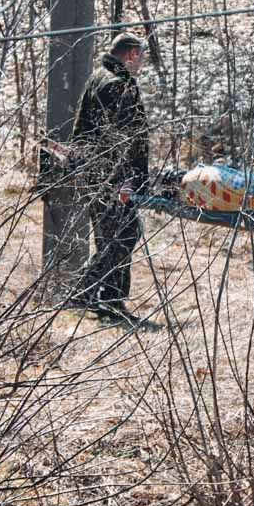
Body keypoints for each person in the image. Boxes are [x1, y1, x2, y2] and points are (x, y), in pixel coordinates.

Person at [72, 32, 149, 320]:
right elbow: (124, 140)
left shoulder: (98, 77)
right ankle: (88, 292)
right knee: (123, 235)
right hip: (112, 177)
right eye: (140, 56)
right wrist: (126, 180)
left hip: (95, 173)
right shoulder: (118, 86)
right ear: (131, 55)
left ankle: (106, 300)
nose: (141, 62)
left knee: (112, 238)